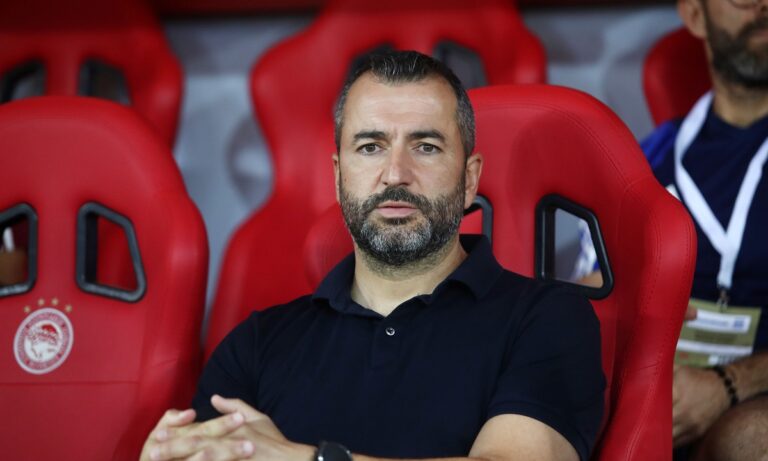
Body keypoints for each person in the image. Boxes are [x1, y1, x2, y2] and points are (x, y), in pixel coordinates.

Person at [141, 51, 605, 461]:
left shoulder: (548, 319)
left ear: (469, 180)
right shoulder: (256, 345)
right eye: (370, 147)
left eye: (426, 147)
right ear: (338, 176)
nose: (395, 173)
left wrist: (310, 460)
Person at [575, 0, 768, 458]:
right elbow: (584, 301)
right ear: (695, 15)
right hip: (652, 392)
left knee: (748, 440)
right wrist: (603, 305)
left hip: (752, 402)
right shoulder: (641, 165)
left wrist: (728, 385)